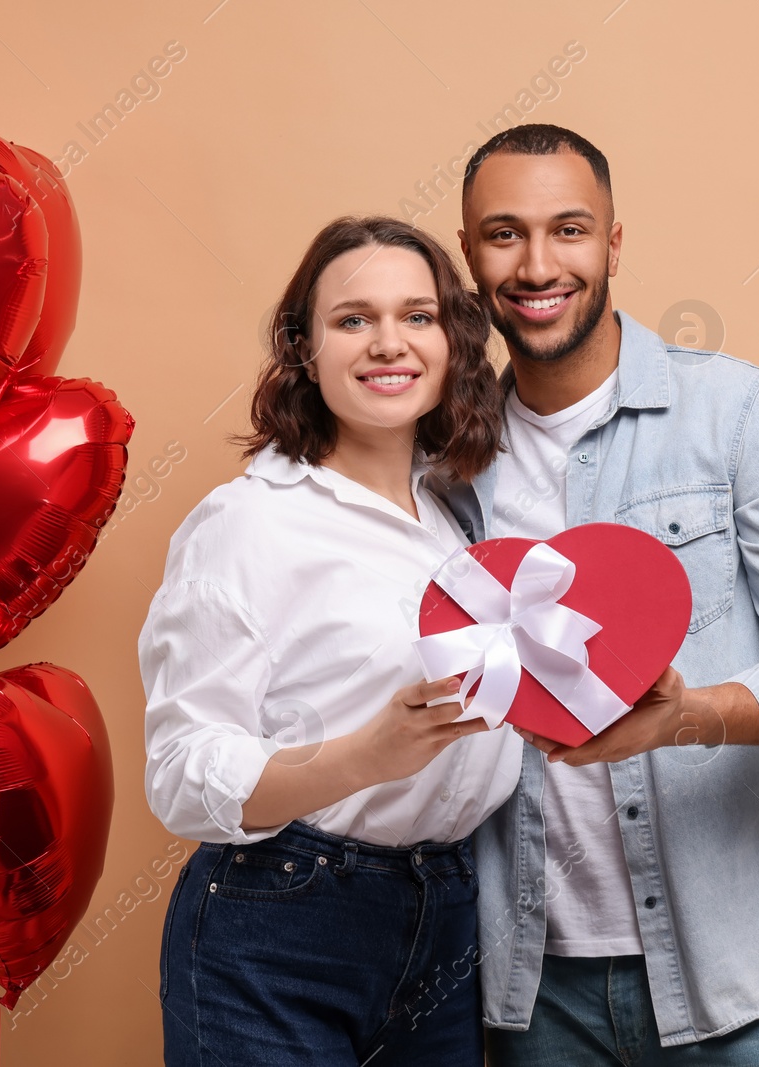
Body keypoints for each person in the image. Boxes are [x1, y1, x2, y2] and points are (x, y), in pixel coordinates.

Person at [440, 125, 759, 1065]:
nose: (537, 264)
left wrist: (691, 715)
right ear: (468, 256)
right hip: (536, 987)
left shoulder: (742, 415)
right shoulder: (442, 468)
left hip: (744, 974)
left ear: (613, 243)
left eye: (569, 230)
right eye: (503, 234)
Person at [138, 215, 524, 1066]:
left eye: (417, 316)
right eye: (354, 320)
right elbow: (178, 775)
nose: (390, 343)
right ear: (305, 350)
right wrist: (365, 755)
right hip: (281, 921)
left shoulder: (462, 520)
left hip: (450, 919)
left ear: (453, 340)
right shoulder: (249, 523)